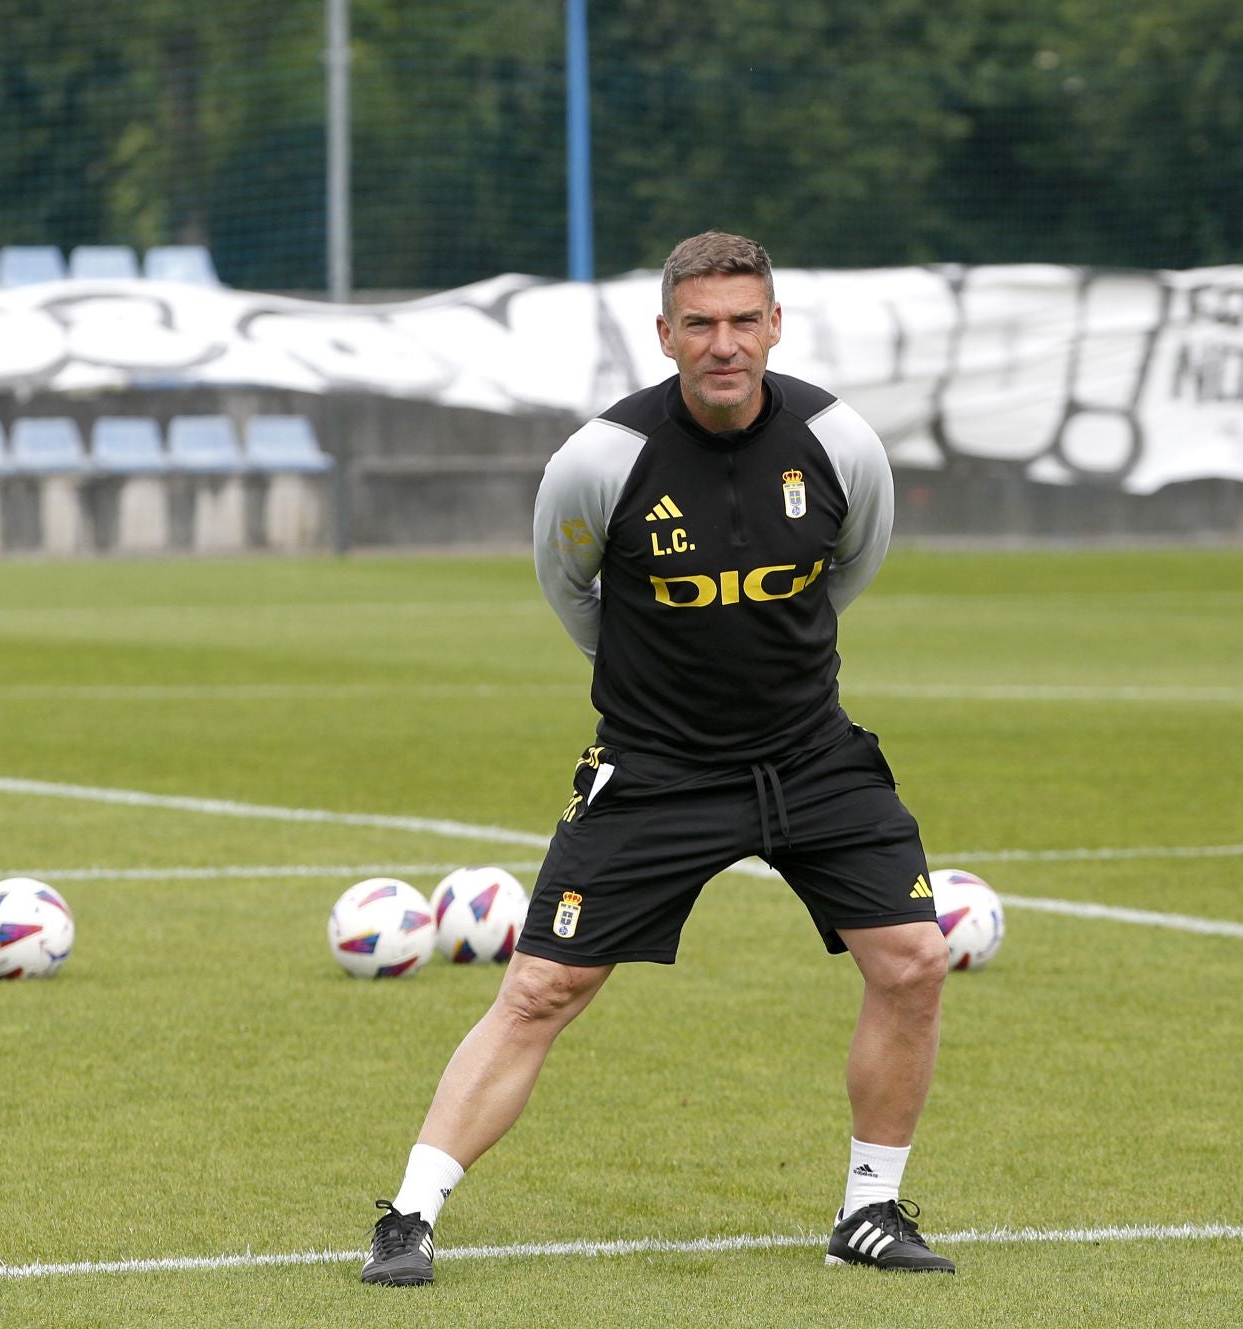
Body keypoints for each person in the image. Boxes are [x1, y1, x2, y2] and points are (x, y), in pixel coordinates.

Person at [361, 231, 953, 1285]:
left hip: (812, 757)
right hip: (658, 769)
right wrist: (660, 686)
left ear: (775, 326)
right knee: (543, 985)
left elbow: (848, 567)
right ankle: (408, 1215)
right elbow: (569, 589)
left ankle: (870, 1209)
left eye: (743, 321)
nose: (723, 344)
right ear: (666, 334)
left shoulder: (838, 440)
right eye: (701, 325)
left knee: (912, 960)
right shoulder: (602, 459)